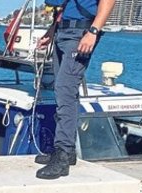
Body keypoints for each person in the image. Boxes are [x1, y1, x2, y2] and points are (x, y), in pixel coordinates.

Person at [35, 0, 117, 179]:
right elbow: (67, 4)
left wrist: (93, 32)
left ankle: (62, 155)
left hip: (80, 34)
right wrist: (51, 31)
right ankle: (67, 151)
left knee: (65, 90)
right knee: (63, 92)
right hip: (63, 31)